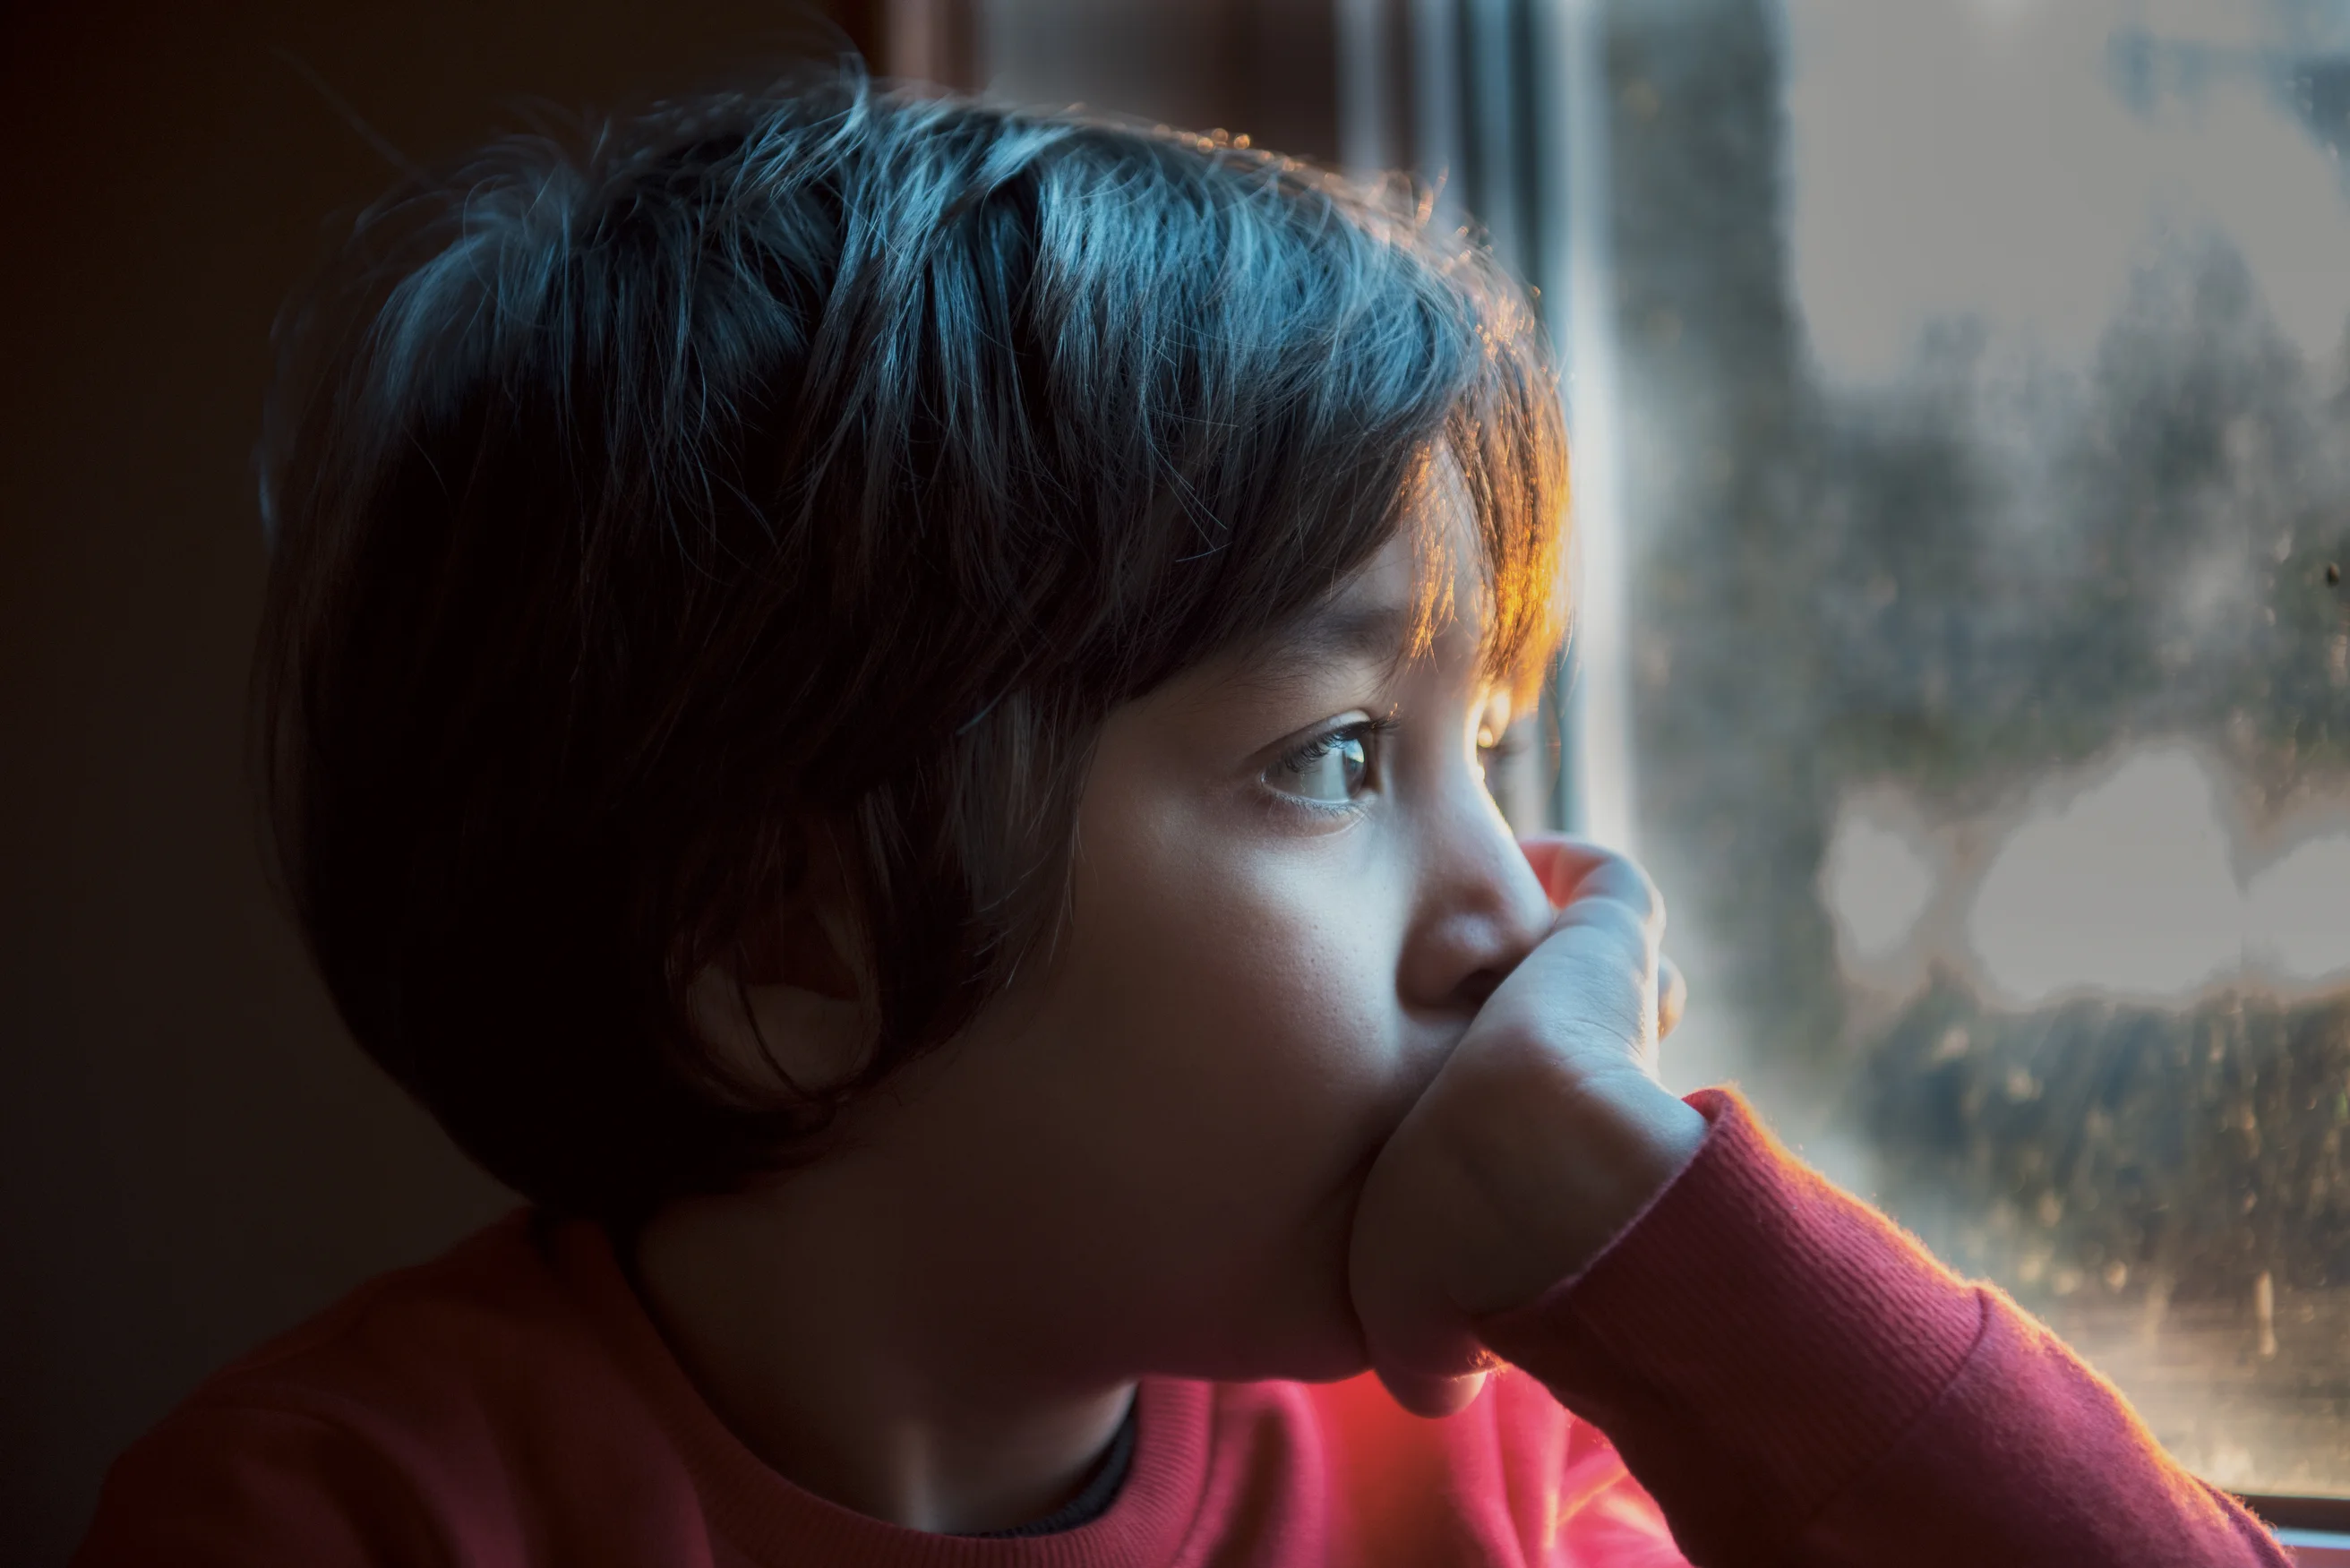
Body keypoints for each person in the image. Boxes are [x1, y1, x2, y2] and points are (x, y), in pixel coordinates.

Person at [76, 68, 2287, 1566]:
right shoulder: (338, 1517)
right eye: (1333, 756)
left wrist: (1673, 1236)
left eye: (1482, 745)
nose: (1521, 911)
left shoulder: (1494, 1472)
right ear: (788, 944)